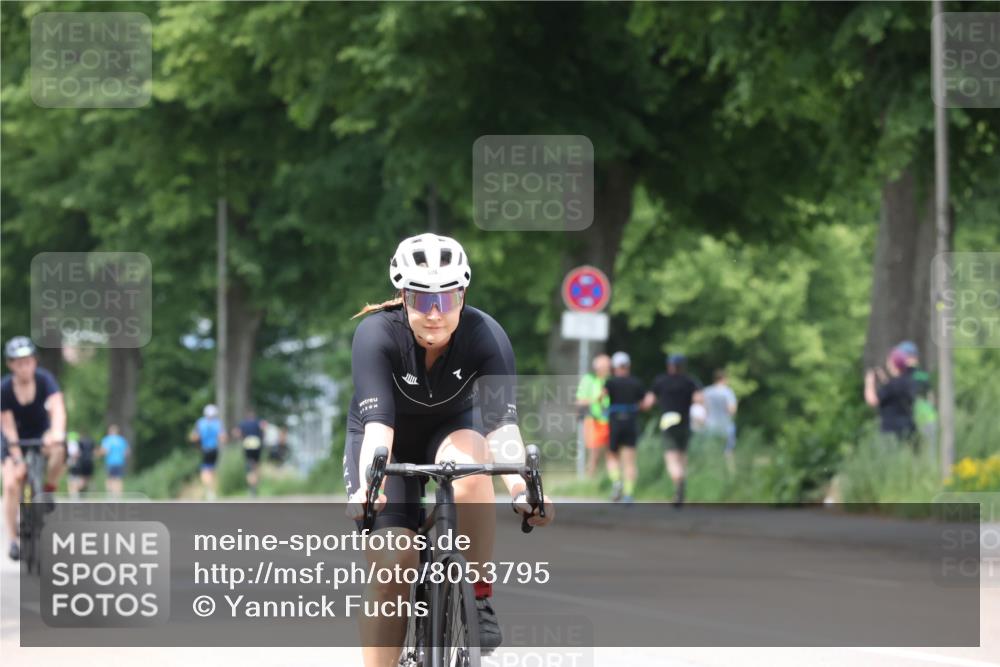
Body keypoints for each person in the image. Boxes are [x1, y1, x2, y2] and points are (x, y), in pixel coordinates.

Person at [343, 233, 553, 666]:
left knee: (473, 470)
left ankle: (477, 597)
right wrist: (369, 487)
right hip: (388, 439)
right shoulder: (376, 335)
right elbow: (379, 429)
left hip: (453, 430)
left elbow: (502, 428)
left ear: (463, 294)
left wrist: (521, 490)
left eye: (448, 298)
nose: (436, 313)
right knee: (392, 566)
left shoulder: (486, 335)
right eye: (422, 300)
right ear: (403, 296)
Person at [1, 336, 67, 561]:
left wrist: (57, 433)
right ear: (10, 365)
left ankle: (47, 490)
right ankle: (13, 540)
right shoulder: (5, 389)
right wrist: (18, 461)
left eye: (28, 361)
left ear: (34, 361)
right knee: (11, 485)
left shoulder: (45, 379)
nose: (25, 367)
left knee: (60, 449)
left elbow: (57, 408)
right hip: (12, 440)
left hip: (41, 435)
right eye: (19, 363)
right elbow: (8, 427)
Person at [643, 354, 701, 508]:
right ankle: (681, 484)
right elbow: (699, 399)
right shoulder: (690, 381)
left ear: (669, 366)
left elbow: (648, 402)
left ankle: (678, 481)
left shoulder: (661, 381)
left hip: (668, 422)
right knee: (682, 457)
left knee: (671, 459)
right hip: (684, 422)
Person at [602, 351, 649, 503]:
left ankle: (617, 482)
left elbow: (601, 398)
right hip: (630, 422)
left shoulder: (610, 382)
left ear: (614, 367)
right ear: (628, 366)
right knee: (629, 461)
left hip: (615, 422)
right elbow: (645, 404)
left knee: (611, 455)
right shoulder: (636, 383)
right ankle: (628, 494)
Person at [864, 348, 917, 442]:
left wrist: (869, 382)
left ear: (894, 364)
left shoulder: (892, 385)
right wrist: (884, 379)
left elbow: (872, 400)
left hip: (891, 430)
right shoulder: (908, 381)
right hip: (908, 427)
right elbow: (894, 393)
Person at [575, 353, 611, 477]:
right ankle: (590, 480)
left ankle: (611, 481)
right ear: (598, 368)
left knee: (612, 452)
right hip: (594, 419)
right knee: (594, 453)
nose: (608, 368)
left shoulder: (611, 380)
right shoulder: (588, 380)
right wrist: (597, 398)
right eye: (606, 366)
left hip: (610, 419)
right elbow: (580, 401)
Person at [896, 340, 937, 446]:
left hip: (913, 418)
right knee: (929, 450)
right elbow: (931, 396)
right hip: (927, 417)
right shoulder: (922, 375)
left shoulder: (904, 376)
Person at [703, 368, 738, 469]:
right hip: (725, 425)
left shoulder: (707, 391)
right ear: (723, 378)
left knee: (711, 451)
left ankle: (710, 471)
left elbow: (704, 409)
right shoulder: (727, 392)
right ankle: (730, 473)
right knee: (728, 452)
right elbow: (732, 410)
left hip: (710, 426)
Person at [189, 404, 225, 500]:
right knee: (212, 470)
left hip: (204, 449)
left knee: (205, 470)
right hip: (215, 449)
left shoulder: (200, 422)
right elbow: (222, 437)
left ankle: (208, 490)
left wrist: (197, 445)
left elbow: (194, 437)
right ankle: (212, 491)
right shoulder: (218, 423)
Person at [233, 409, 267, 497]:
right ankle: (255, 485)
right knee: (256, 465)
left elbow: (236, 432)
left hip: (247, 444)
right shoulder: (258, 422)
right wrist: (262, 437)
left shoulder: (243, 423)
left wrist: (242, 438)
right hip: (257, 444)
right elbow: (264, 427)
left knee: (249, 466)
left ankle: (251, 487)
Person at [99, 424, 129, 498]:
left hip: (110, 462)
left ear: (110, 431)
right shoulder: (121, 440)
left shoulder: (107, 440)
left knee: (110, 479)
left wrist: (99, 453)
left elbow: (105, 451)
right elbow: (126, 452)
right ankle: (119, 496)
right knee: (119, 479)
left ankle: (110, 496)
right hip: (120, 462)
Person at [67, 429, 96, 498]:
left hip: (76, 464)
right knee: (84, 479)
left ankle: (74, 494)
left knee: (74, 480)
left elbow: (76, 454)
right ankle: (77, 493)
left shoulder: (75, 443)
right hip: (84, 463)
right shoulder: (85, 442)